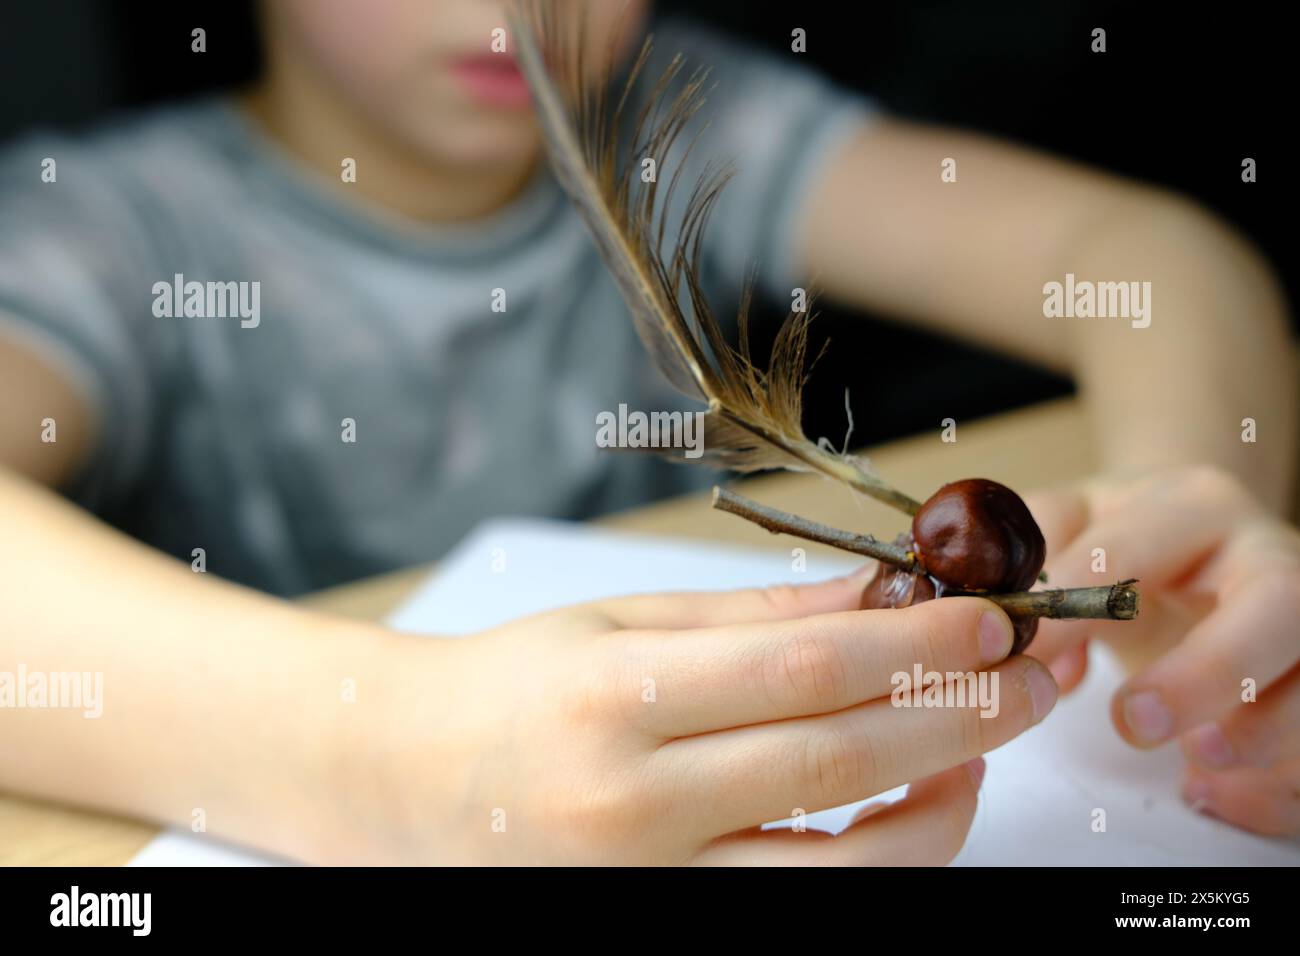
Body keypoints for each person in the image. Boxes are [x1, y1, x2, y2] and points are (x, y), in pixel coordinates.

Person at [0, 0, 1295, 864]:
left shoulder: (682, 122)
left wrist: (1183, 501)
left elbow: (1150, 255)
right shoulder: (103, 234)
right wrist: (380, 752)